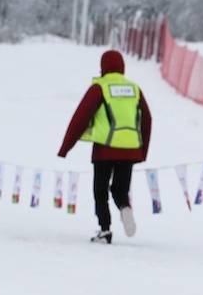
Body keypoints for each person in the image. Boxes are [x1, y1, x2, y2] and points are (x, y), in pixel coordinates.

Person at [58, 49, 152, 244]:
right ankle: (125, 209)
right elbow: (147, 119)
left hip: (105, 148)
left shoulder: (100, 87)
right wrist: (142, 150)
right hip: (130, 149)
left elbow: (80, 118)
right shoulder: (134, 89)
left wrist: (66, 147)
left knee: (100, 189)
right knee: (120, 189)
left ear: (103, 67)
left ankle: (105, 229)